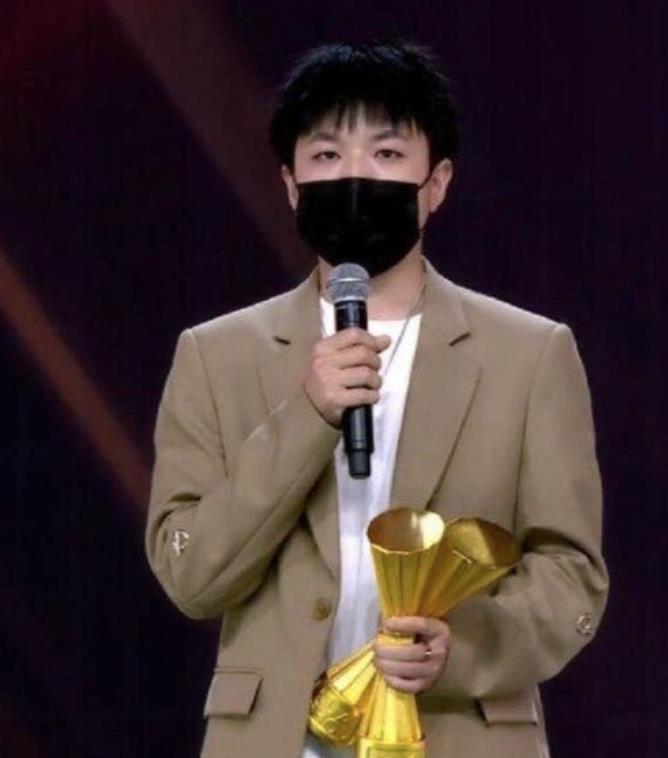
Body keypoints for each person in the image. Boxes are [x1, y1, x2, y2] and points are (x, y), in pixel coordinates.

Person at [146, 39, 609, 758]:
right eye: (327, 155)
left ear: (437, 182)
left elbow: (571, 573)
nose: (355, 176)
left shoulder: (529, 353)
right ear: (291, 184)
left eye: (387, 154)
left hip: (460, 734)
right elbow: (192, 577)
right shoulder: (216, 355)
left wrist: (462, 649)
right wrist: (308, 415)